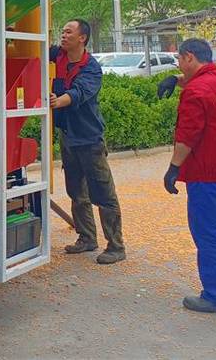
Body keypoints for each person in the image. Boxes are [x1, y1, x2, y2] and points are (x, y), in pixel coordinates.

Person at [158, 38, 216, 315]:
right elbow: (204, 82)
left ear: (188, 57)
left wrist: (174, 168)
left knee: (211, 237)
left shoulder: (195, 92)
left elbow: (187, 137)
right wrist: (175, 79)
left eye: (178, 61)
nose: (178, 65)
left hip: (210, 179)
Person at [49, 19, 126, 264]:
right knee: (76, 190)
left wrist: (56, 102)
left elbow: (79, 93)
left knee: (103, 192)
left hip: (89, 137)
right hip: (68, 135)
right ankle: (87, 238)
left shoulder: (91, 68)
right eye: (63, 31)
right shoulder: (58, 55)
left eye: (68, 31)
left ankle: (116, 246)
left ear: (82, 38)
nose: (63, 35)